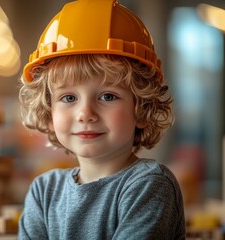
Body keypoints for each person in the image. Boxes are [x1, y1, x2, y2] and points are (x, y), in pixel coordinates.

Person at [18, 0, 185, 239]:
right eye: (68, 97)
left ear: (141, 108)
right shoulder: (44, 191)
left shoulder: (148, 185)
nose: (85, 113)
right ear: (48, 112)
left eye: (108, 96)